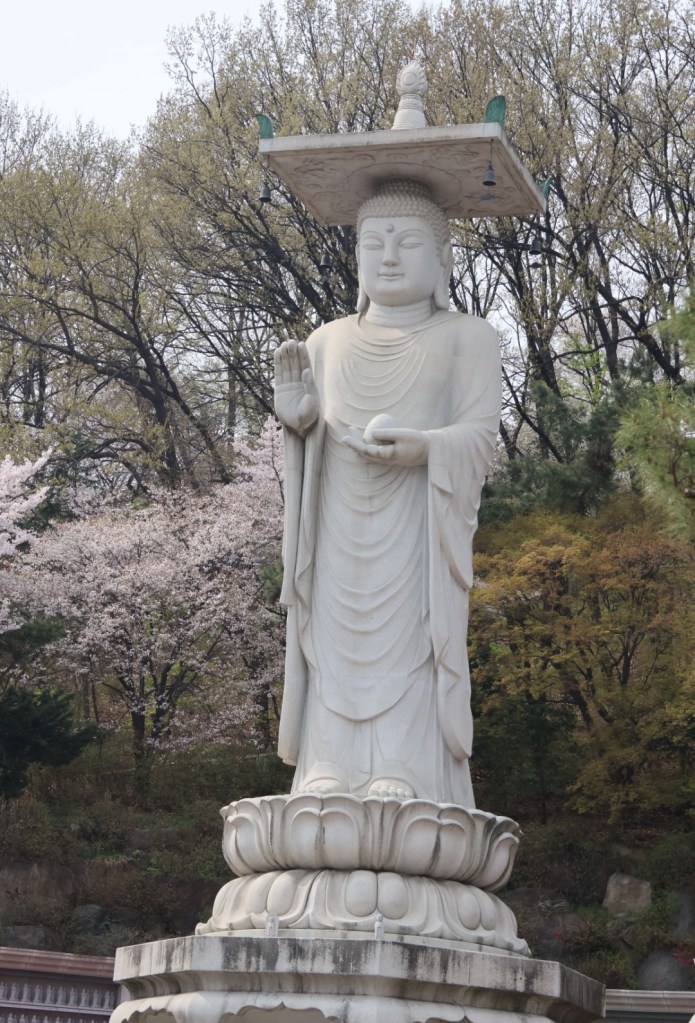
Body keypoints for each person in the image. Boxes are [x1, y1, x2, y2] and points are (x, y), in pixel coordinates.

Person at [274, 179, 501, 805]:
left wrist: (426, 447)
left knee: (411, 642)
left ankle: (403, 766)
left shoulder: (469, 336)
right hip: (336, 524)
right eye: (373, 244)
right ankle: (328, 764)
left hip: (418, 522)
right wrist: (299, 424)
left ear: (443, 258)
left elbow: (480, 436)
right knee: (332, 645)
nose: (390, 258)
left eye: (408, 243)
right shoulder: (326, 341)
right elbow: (313, 431)